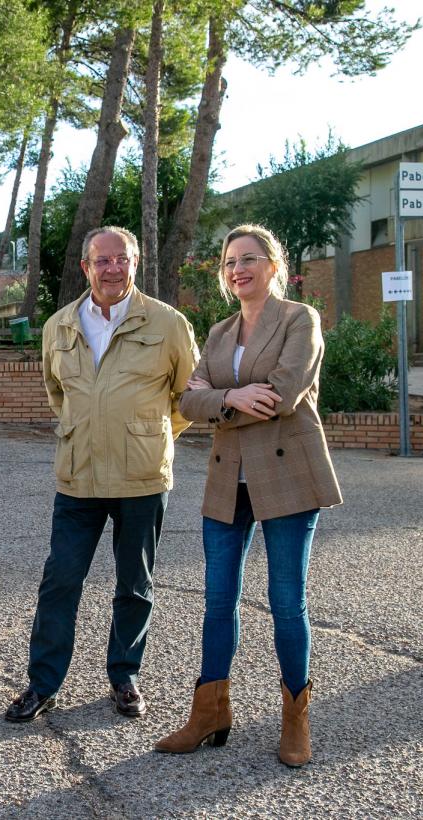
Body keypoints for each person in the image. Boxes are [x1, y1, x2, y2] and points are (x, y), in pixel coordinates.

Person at [153, 224, 342, 768]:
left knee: (286, 602)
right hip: (227, 477)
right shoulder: (217, 332)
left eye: (249, 259)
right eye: (230, 261)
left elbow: (283, 395)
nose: (238, 269)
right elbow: (189, 404)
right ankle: (210, 712)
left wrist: (218, 401)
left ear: (273, 264)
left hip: (287, 476)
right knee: (217, 601)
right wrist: (232, 395)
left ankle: (295, 717)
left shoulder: (299, 319)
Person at [4, 226, 199, 724]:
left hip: (142, 479)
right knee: (60, 581)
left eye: (122, 259)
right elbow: (58, 393)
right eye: (102, 260)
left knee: (135, 583)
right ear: (86, 267)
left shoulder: (168, 323)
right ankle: (43, 683)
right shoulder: (59, 325)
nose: (113, 268)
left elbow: (188, 397)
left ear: (136, 263)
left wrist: (147, 434)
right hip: (79, 478)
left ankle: (124, 676)